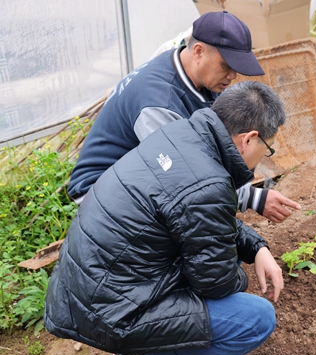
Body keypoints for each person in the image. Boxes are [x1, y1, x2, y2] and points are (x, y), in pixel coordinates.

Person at [44, 81, 286, 355]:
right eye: (268, 149)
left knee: (196, 264)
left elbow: (197, 215)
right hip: (108, 311)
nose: (264, 156)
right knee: (254, 317)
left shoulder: (180, 134)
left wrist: (256, 247)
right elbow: (215, 283)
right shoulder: (208, 182)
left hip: (81, 296)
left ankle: (131, 352)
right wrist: (238, 270)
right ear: (249, 139)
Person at [68, 10, 300, 223]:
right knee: (192, 219)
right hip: (100, 192)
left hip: (141, 174)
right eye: (226, 65)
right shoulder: (159, 104)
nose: (232, 75)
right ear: (198, 51)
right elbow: (186, 179)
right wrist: (254, 199)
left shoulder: (193, 72)